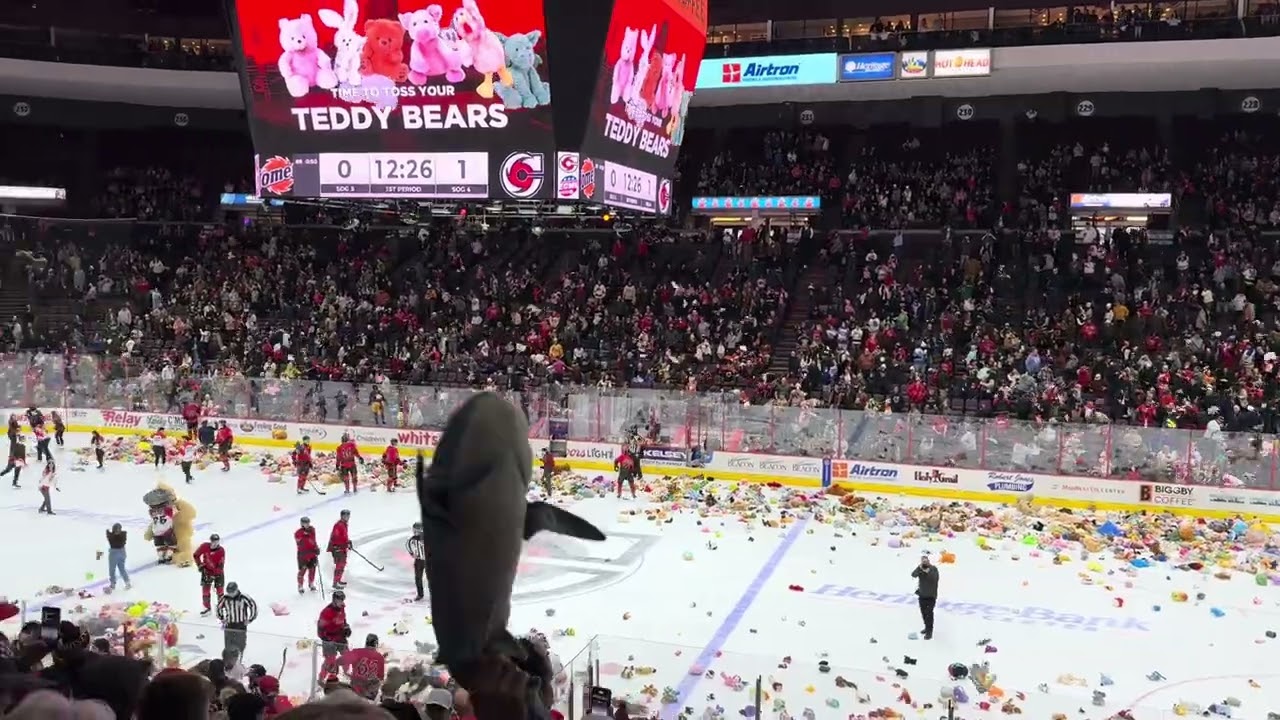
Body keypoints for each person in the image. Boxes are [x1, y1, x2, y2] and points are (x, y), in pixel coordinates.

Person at [338, 633, 386, 700]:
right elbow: (380, 678)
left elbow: (340, 661)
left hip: (356, 691)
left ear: (366, 643)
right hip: (370, 694)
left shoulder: (357, 652)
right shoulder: (380, 657)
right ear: (376, 644)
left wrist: (346, 672)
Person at [216, 581, 258, 659]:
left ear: (236, 590)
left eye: (232, 592)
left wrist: (250, 619)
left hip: (241, 624)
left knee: (241, 643)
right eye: (229, 592)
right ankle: (229, 658)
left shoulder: (244, 597)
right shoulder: (225, 598)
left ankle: (240, 657)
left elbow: (253, 606)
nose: (230, 594)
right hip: (229, 624)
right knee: (229, 644)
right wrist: (222, 618)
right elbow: (218, 608)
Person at [317, 590, 351, 683]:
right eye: (340, 600)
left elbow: (343, 620)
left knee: (347, 655)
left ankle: (346, 672)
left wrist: (347, 628)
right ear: (334, 600)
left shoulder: (342, 608)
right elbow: (320, 628)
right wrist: (326, 639)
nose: (342, 602)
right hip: (328, 638)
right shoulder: (326, 612)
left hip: (340, 636)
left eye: (343, 600)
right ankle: (321, 678)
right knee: (330, 660)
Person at [194, 533, 227, 616]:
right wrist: (200, 565)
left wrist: (215, 573)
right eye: (213, 541)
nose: (215, 544)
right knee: (205, 591)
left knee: (220, 591)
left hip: (218, 573)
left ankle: (221, 608)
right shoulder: (204, 546)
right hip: (206, 572)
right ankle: (207, 608)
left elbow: (221, 564)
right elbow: (196, 555)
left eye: (217, 541)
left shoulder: (221, 550)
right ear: (211, 541)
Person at [911, 553, 940, 640]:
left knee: (929, 614)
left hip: (931, 596)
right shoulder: (920, 569)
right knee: (924, 614)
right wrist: (919, 568)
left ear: (929, 561)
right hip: (922, 595)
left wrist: (927, 572)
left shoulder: (934, 569)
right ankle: (926, 627)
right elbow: (913, 575)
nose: (924, 562)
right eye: (923, 561)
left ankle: (929, 632)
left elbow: (934, 579)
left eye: (926, 561)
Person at [295, 516, 320, 594]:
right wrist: (305, 534)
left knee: (312, 569)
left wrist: (316, 548)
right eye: (305, 523)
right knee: (302, 570)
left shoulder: (312, 530)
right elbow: (299, 543)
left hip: (312, 554)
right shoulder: (298, 533)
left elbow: (313, 540)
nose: (307, 524)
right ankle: (300, 585)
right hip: (303, 555)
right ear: (302, 524)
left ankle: (311, 583)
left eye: (308, 523)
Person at [328, 510, 352, 589]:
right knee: (339, 565)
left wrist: (348, 542)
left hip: (341, 548)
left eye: (348, 516)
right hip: (337, 548)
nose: (347, 517)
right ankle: (335, 583)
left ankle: (338, 580)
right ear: (341, 516)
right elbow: (336, 538)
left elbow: (343, 536)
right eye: (345, 516)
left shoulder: (344, 525)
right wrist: (345, 544)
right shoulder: (338, 525)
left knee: (342, 564)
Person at [405, 521, 427, 601]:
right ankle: (420, 594)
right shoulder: (412, 537)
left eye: (415, 530)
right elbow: (407, 544)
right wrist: (411, 553)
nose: (414, 531)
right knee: (418, 578)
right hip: (418, 561)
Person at [106, 522, 131, 591]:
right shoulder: (123, 535)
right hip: (122, 552)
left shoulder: (111, 536)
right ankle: (127, 582)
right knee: (122, 569)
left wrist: (108, 533)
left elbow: (110, 538)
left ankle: (112, 584)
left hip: (114, 553)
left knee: (112, 569)